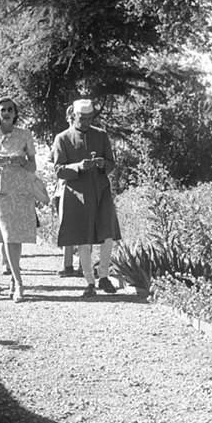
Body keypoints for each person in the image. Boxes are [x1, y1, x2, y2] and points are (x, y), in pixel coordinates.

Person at [52, 98, 121, 297]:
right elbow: (59, 170)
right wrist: (78, 167)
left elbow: (111, 163)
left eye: (90, 118)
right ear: (73, 115)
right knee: (84, 238)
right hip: (77, 194)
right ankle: (89, 281)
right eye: (82, 118)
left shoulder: (101, 136)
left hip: (101, 192)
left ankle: (104, 276)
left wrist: (102, 164)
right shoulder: (62, 138)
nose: (86, 122)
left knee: (107, 235)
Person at [0, 96, 37, 302]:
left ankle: (14, 280)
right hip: (0, 191)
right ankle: (20, 282)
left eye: (10, 110)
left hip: (21, 191)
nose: (6, 113)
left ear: (15, 113)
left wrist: (21, 160)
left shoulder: (25, 135)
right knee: (7, 235)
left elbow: (33, 166)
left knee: (16, 235)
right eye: (2, 110)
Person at [54, 104, 80, 278]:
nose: (72, 121)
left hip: (78, 184)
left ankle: (79, 264)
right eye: (70, 118)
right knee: (66, 225)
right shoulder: (62, 138)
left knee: (82, 225)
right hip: (63, 186)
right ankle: (68, 264)